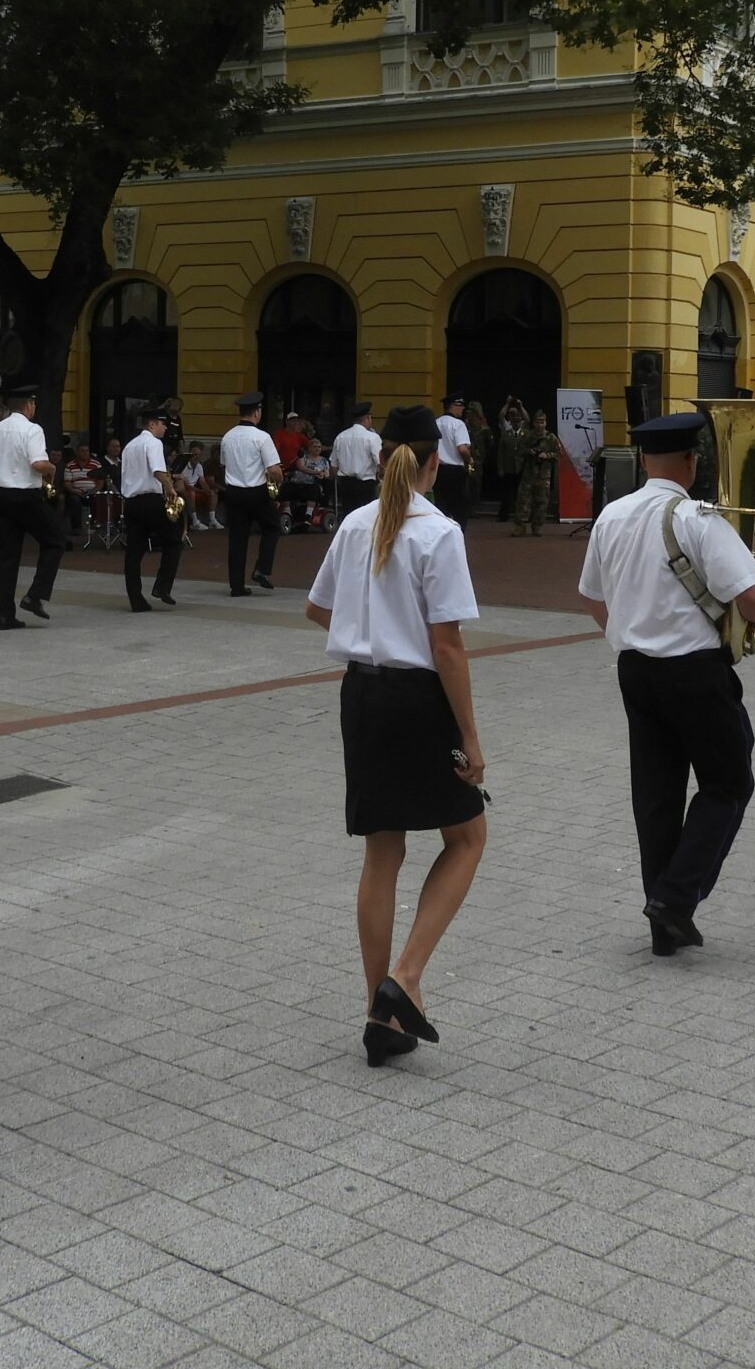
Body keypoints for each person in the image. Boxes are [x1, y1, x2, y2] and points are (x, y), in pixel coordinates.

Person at [303, 405, 487, 1066]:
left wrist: (366, 617)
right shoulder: (438, 531)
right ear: (434, 463)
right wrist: (470, 734)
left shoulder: (356, 523)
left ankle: (378, 1011)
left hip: (362, 693)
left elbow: (316, 607)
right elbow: (448, 645)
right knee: (468, 835)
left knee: (383, 854)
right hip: (416, 697)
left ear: (383, 461)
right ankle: (404, 979)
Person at [577, 412, 755, 954]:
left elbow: (591, 595)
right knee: (729, 782)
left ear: (642, 460)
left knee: (656, 793)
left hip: (634, 669)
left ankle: (663, 920)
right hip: (693, 670)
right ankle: (675, 898)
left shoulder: (611, 515)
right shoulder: (698, 518)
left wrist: (627, 629)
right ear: (691, 461)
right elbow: (753, 600)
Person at [0, 381, 64, 629]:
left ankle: (4, 614)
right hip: (23, 495)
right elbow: (38, 464)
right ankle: (35, 595)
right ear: (28, 405)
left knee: (6, 554)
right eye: (33, 404)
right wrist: (52, 468)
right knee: (55, 541)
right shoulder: (32, 429)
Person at [120, 406, 185, 612]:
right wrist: (171, 489)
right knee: (174, 541)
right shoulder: (154, 443)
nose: (166, 427)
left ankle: (136, 599)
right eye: (162, 423)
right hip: (151, 501)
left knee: (134, 552)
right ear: (152, 424)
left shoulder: (130, 446)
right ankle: (162, 586)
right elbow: (158, 471)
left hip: (131, 502)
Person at [219, 391, 284, 596]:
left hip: (233, 492)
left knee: (237, 539)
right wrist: (278, 481)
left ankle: (236, 586)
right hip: (256, 491)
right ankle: (262, 569)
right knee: (272, 528)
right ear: (256, 412)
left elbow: (223, 465)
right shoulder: (262, 437)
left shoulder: (227, 436)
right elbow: (274, 469)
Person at [330, 403, 381, 524]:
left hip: (346, 483)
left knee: (349, 518)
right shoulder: (372, 437)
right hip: (366, 484)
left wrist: (337, 480)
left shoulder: (340, 437)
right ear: (366, 419)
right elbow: (380, 462)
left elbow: (333, 465)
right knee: (367, 519)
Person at [512, 416, 561, 534]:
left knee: (542, 502)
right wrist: (529, 451)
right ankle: (520, 526)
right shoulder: (527, 436)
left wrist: (547, 455)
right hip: (528, 474)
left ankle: (537, 526)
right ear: (533, 423)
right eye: (538, 422)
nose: (540, 425)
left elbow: (558, 454)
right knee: (523, 501)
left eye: (542, 422)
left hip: (544, 475)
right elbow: (518, 450)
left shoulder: (551, 437)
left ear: (546, 423)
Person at [433, 394, 473, 520]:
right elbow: (462, 449)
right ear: (453, 406)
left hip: (438, 470)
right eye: (461, 405)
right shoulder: (458, 424)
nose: (463, 408)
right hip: (455, 471)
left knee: (441, 506)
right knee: (459, 509)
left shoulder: (435, 423)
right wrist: (469, 459)